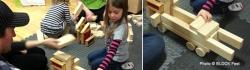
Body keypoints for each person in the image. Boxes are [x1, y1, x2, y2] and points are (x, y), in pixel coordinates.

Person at [0, 1, 60, 70]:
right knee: (41, 59)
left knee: (40, 51)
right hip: (8, 60)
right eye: (11, 30)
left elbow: (13, 45)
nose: (14, 34)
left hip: (5, 54)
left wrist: (43, 42)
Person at [87, 0, 129, 70]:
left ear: (124, 11)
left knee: (94, 66)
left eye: (116, 12)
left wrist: (101, 67)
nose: (112, 15)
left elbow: (113, 51)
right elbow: (104, 14)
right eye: (109, 12)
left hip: (117, 57)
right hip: (108, 49)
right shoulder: (109, 16)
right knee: (90, 57)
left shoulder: (120, 29)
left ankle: (118, 66)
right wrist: (92, 17)